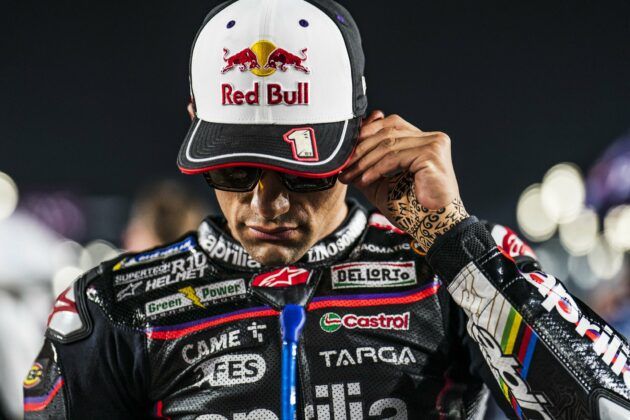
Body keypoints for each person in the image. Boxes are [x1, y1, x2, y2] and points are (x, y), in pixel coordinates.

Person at [24, 0, 630, 418]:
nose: (266, 204)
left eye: (299, 171)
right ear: (195, 127)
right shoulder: (114, 304)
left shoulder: (449, 272)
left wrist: (451, 239)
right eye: (234, 170)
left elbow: (610, 407)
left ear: (360, 137)